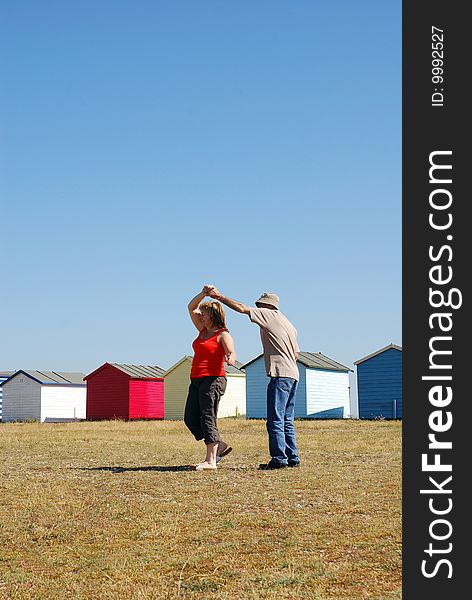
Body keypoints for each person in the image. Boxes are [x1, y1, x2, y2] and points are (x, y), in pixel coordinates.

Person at [204, 286, 300, 470]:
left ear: (267, 306)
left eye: (260, 305)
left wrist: (219, 297)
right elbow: (295, 354)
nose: (258, 308)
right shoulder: (289, 324)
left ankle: (279, 459)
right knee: (287, 419)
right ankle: (292, 457)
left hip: (280, 375)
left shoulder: (269, 315)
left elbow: (242, 308)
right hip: (293, 374)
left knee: (275, 420)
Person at [184, 287, 236, 470]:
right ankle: (218, 444)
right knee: (190, 418)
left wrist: (230, 358)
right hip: (197, 379)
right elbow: (191, 307)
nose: (201, 317)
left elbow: (231, 351)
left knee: (207, 417)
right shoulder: (202, 331)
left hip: (213, 379)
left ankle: (211, 461)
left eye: (204, 314)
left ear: (213, 315)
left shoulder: (222, 334)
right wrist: (203, 294)